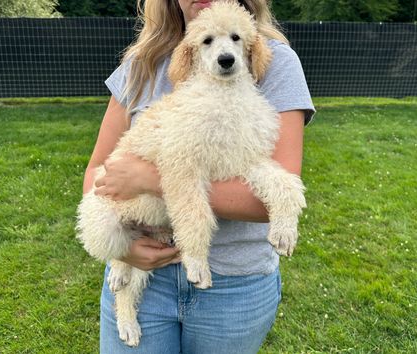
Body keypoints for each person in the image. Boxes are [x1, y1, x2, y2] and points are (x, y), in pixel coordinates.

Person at [83, 0, 315, 353]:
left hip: (234, 287)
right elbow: (99, 172)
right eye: (208, 41)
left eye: (235, 39)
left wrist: (150, 179)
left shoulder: (277, 62)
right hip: (142, 257)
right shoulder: (141, 63)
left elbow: (259, 173)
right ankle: (125, 300)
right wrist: (123, 250)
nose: (223, 51)